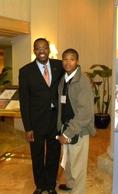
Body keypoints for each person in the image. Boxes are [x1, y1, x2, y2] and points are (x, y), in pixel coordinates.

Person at [19, 38, 64, 194]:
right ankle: (39, 185)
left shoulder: (59, 66)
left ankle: (51, 186)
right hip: (36, 123)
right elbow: (24, 102)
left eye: (44, 47)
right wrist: (28, 127)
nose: (42, 51)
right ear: (34, 51)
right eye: (38, 48)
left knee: (54, 154)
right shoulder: (25, 71)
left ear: (48, 50)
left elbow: (72, 77)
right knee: (37, 155)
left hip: (55, 121)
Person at [57, 48, 96, 194]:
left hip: (78, 130)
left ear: (77, 61)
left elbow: (85, 114)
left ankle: (77, 191)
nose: (68, 62)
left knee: (78, 165)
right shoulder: (64, 79)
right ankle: (71, 184)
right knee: (68, 161)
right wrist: (60, 128)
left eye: (71, 59)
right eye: (65, 59)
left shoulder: (83, 81)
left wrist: (67, 133)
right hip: (66, 127)